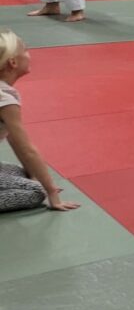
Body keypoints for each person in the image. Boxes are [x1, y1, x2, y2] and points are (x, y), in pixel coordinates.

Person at [0, 29, 80, 212]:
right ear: (13, 62)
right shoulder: (4, 98)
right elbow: (27, 149)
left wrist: (34, 177)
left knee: (26, 174)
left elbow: (15, 142)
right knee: (36, 193)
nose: (30, 55)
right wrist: (51, 192)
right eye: (26, 50)